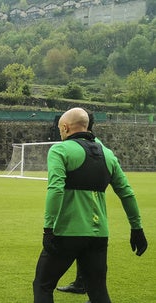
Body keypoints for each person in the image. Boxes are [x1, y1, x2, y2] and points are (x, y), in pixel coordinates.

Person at [32, 107, 148, 303]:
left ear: (66, 128)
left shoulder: (60, 150)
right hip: (98, 235)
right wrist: (137, 228)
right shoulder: (108, 154)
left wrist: (48, 228)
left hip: (66, 232)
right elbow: (127, 192)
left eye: (61, 128)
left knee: (43, 286)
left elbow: (56, 190)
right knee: (98, 291)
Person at [56, 108, 97, 295]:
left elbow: (55, 189)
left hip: (83, 213)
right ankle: (83, 284)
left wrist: (49, 227)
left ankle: (86, 286)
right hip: (94, 215)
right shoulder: (97, 147)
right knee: (89, 253)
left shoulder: (92, 147)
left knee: (42, 281)